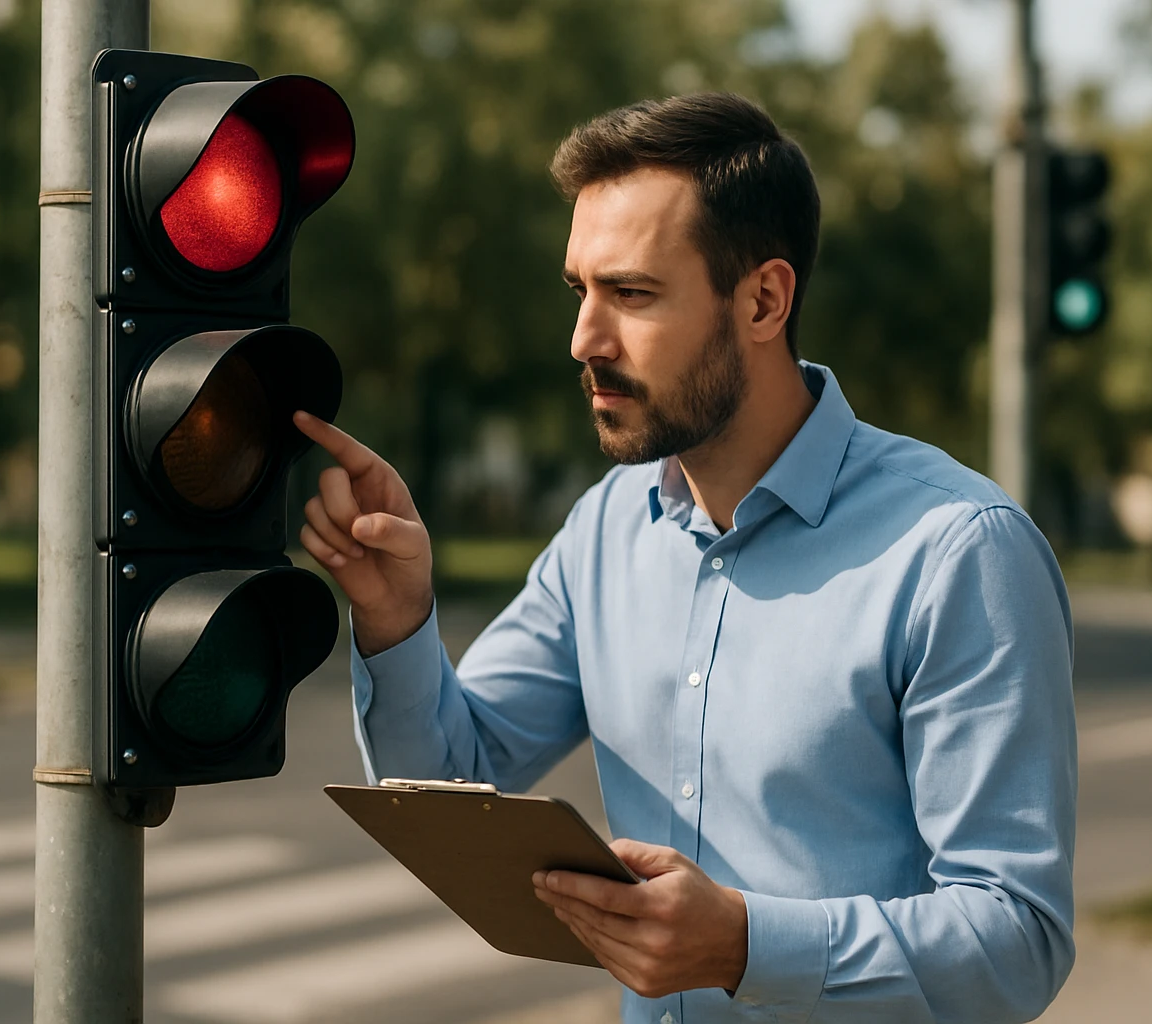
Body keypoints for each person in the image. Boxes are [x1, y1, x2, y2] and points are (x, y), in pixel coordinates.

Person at [294, 92, 1076, 1024]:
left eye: (631, 294)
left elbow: (1017, 942)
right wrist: (396, 618)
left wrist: (747, 945)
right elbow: (454, 778)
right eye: (579, 290)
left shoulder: (958, 553)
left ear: (763, 299)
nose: (584, 339)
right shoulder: (604, 529)